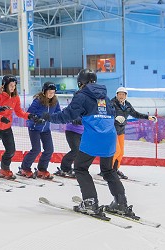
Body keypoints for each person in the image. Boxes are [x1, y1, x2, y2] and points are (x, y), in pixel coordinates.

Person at [40, 69, 134, 216]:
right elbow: (111, 114)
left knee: (80, 168)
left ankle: (90, 202)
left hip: (94, 136)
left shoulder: (82, 95)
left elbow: (66, 116)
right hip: (110, 136)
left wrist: (48, 117)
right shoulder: (105, 97)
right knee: (108, 170)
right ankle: (121, 203)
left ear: (80, 83)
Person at [0, 75, 38, 180]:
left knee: (11, 150)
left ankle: (4, 169)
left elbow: (19, 112)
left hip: (6, 126)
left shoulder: (15, 97)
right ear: (5, 85)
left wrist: (29, 116)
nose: (13, 88)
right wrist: (1, 118)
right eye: (11, 85)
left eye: (14, 85)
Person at [109, 87, 157, 179]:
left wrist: (148, 117)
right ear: (116, 95)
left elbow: (135, 113)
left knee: (121, 152)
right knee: (116, 151)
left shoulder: (127, 105)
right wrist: (115, 117)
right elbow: (107, 114)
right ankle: (108, 171)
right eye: (119, 94)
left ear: (126, 96)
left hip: (121, 130)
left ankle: (115, 169)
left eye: (123, 94)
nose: (121, 96)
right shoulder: (112, 103)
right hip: (112, 130)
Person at [18, 82, 61, 179]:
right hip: (34, 128)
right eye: (49, 92)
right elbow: (29, 113)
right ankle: (24, 168)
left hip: (46, 129)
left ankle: (42, 169)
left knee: (49, 149)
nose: (51, 94)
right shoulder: (38, 101)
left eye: (53, 92)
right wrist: (36, 119)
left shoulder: (55, 101)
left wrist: (57, 118)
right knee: (36, 149)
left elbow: (58, 113)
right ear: (44, 91)